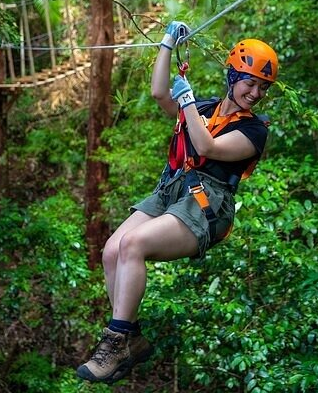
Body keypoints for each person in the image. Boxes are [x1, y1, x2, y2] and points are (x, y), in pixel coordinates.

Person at [76, 21, 279, 384]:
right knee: (111, 251)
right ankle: (131, 337)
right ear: (232, 77)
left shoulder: (254, 130)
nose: (256, 93)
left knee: (133, 245)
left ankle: (114, 341)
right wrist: (168, 44)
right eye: (250, 82)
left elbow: (208, 147)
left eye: (262, 87)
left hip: (207, 204)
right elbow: (159, 95)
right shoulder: (204, 106)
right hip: (174, 189)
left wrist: (186, 101)